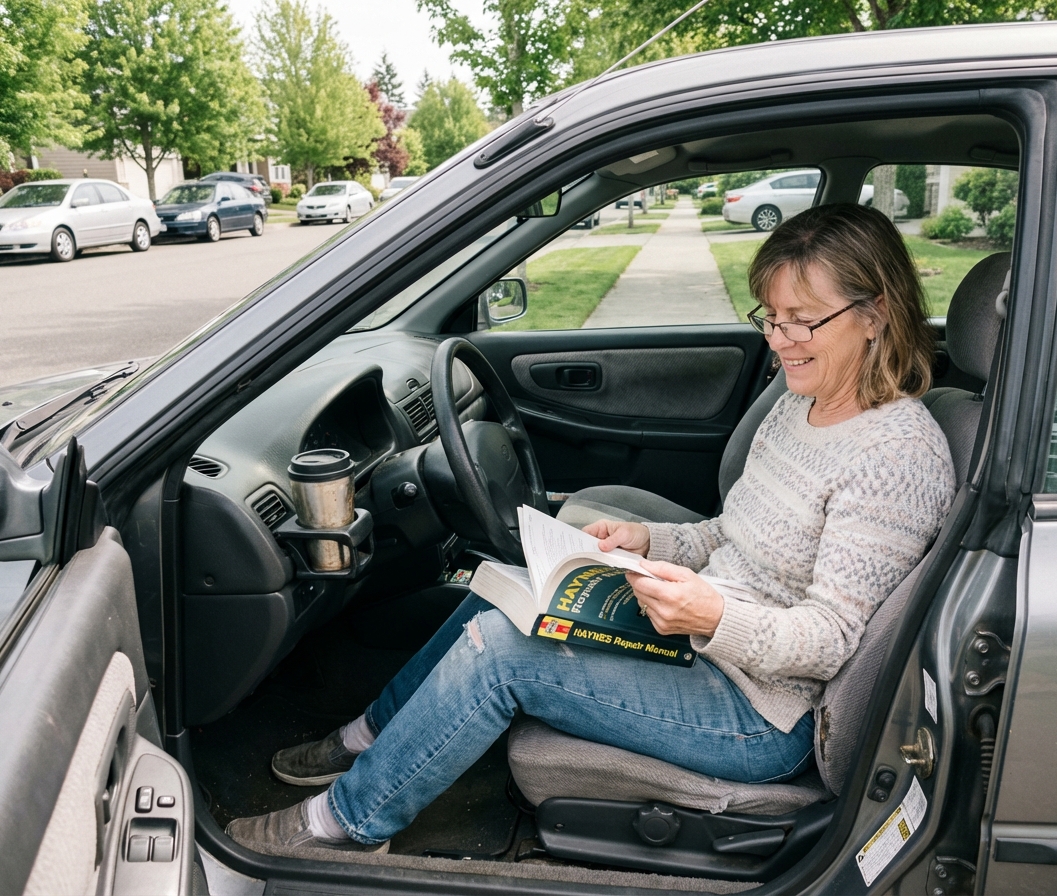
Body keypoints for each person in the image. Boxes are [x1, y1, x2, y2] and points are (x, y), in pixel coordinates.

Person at [227, 203, 957, 854]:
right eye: (770, 317)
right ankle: (371, 736)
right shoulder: (802, 405)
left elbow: (832, 641)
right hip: (704, 648)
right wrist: (652, 544)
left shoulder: (895, 456)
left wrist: (714, 615)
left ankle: (347, 825)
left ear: (876, 311)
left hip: (763, 714)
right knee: (505, 592)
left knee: (502, 651)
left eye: (805, 320)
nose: (781, 340)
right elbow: (734, 535)